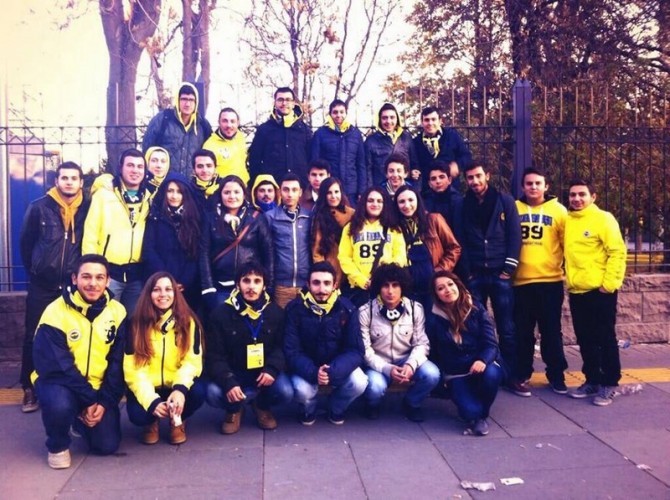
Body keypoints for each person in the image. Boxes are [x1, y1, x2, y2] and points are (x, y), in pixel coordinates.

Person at [32, 254, 126, 469]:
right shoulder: (55, 312)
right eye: (86, 277)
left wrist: (104, 402)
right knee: (60, 404)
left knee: (107, 445)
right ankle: (57, 445)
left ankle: (79, 420)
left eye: (99, 277)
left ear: (108, 281)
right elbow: (58, 367)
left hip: (97, 388)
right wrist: (89, 399)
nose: (93, 283)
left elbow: (117, 363)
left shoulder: (118, 312)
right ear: (74, 279)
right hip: (59, 383)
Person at [19, 161, 90, 413]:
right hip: (43, 284)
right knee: (33, 334)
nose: (69, 182)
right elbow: (26, 245)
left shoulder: (87, 209)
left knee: (74, 335)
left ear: (81, 182)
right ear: (56, 181)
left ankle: (71, 387)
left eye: (74, 178)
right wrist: (37, 270)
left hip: (72, 284)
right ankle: (28, 386)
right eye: (64, 178)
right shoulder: (39, 207)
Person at [205, 262, 294, 434]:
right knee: (212, 392)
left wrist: (272, 369)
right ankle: (234, 409)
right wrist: (228, 381)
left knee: (285, 391)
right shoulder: (220, 314)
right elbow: (214, 355)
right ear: (238, 284)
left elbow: (282, 347)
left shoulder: (275, 312)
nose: (251, 286)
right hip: (234, 373)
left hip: (262, 375)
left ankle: (261, 406)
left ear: (264, 286)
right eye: (246, 280)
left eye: (257, 281)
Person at [460, 162, 523, 394]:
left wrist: (509, 267)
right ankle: (481, 373)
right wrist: (467, 271)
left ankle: (511, 374)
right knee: (476, 328)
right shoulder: (463, 204)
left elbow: (515, 235)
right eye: (470, 178)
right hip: (475, 275)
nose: (475, 181)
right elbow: (460, 238)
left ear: (487, 175)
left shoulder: (505, 201)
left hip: (500, 274)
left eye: (478, 176)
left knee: (507, 327)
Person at [124, 272, 205, 445]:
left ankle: (178, 419)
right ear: (148, 294)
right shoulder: (135, 324)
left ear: (175, 293)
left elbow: (192, 362)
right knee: (138, 414)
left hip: (175, 385)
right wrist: (151, 401)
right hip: (149, 386)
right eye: (156, 290)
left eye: (168, 289)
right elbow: (133, 370)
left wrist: (180, 390)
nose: (163, 294)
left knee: (199, 392)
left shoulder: (189, 322)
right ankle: (151, 423)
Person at [564, 179, 627, 406]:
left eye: (582, 194)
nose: (577, 199)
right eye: (573, 195)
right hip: (577, 291)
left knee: (605, 338)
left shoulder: (603, 219)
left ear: (593, 197)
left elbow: (617, 252)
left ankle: (609, 382)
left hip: (600, 291)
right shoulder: (568, 220)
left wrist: (608, 285)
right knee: (585, 339)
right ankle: (592, 379)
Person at [284, 262, 367, 425]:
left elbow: (356, 350)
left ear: (335, 285)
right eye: (316, 283)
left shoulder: (347, 308)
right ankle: (308, 410)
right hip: (307, 368)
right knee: (302, 390)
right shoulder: (294, 309)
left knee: (359, 382)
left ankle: (336, 408)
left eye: (327, 283)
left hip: (335, 367)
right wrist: (314, 372)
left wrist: (332, 371)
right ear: (308, 284)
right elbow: (291, 350)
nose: (321, 289)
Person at [359, 264, 440, 422]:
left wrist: (411, 364)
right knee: (375, 386)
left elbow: (421, 343)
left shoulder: (415, 309)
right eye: (385, 285)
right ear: (378, 287)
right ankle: (372, 404)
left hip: (405, 360)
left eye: (395, 285)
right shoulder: (365, 312)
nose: (390, 291)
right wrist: (387, 368)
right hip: (379, 364)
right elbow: (365, 349)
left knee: (432, 374)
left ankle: (412, 403)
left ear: (403, 286)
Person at [513, 167, 569, 395]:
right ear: (523, 186)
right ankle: (522, 373)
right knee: (523, 332)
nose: (533, 187)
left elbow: (568, 245)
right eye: (529, 183)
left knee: (551, 331)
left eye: (538, 183)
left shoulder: (559, 211)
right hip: (520, 282)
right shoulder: (513, 208)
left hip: (550, 281)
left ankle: (556, 375)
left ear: (546, 186)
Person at [427, 271, 503, 436]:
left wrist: (482, 360)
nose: (447, 290)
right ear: (436, 294)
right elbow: (432, 352)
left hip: (480, 366)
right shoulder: (434, 317)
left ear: (458, 285)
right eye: (441, 288)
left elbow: (491, 344)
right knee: (469, 412)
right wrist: (441, 381)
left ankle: (482, 415)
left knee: (492, 374)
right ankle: (474, 411)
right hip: (456, 373)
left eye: (450, 284)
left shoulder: (476, 308)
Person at [83, 148, 152, 314]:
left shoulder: (149, 197)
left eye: (140, 166)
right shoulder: (104, 194)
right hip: (109, 272)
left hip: (137, 274)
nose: (135, 170)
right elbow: (91, 233)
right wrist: (91, 269)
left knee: (134, 321)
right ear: (121, 168)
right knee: (105, 318)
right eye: (130, 165)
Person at [200, 175, 274, 310]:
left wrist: (268, 285)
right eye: (227, 192)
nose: (232, 196)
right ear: (220, 194)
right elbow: (203, 253)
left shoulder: (256, 218)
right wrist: (208, 287)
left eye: (236, 192)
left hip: (250, 285)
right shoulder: (211, 218)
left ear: (244, 194)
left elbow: (268, 252)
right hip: (220, 286)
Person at [394, 185, 461, 311]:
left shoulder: (434, 219)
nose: (407, 205)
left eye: (411, 200)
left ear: (418, 201)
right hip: (408, 286)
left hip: (433, 285)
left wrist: (439, 271)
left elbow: (454, 248)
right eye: (401, 201)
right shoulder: (394, 227)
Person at [141, 173, 203, 310]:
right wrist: (166, 279)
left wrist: (185, 280)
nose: (174, 196)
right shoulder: (155, 217)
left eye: (179, 192)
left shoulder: (194, 219)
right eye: (170, 191)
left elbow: (196, 253)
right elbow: (149, 250)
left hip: (186, 286)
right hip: (159, 282)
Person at [338, 186, 407, 306]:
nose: (375, 204)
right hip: (360, 289)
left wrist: (385, 279)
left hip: (386, 288)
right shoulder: (351, 227)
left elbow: (400, 257)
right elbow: (344, 258)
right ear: (364, 203)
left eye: (379, 201)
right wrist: (361, 280)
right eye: (371, 200)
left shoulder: (393, 228)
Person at [142, 82, 213, 176]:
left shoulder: (202, 124)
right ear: (177, 100)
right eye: (184, 99)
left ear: (196, 102)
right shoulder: (163, 119)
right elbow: (147, 148)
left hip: (190, 182)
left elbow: (209, 153)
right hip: (165, 180)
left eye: (191, 100)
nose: (187, 104)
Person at [263, 173, 312, 308]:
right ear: (280, 192)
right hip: (281, 285)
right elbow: (266, 250)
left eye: (294, 190)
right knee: (282, 318)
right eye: (286, 190)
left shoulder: (309, 217)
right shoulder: (270, 217)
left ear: (300, 192)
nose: (290, 194)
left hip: (306, 284)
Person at [249, 86, 312, 182]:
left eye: (288, 100)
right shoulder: (264, 130)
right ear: (275, 103)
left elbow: (311, 159)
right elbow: (254, 160)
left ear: (293, 103)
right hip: (272, 187)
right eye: (280, 100)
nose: (284, 103)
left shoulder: (304, 130)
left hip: (299, 186)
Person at [310, 99, 366, 203]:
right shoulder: (320, 134)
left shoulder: (355, 134)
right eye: (335, 112)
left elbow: (361, 164)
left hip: (351, 190)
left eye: (341, 112)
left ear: (346, 113)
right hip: (329, 189)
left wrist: (362, 190)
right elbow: (315, 161)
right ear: (330, 114)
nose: (338, 115)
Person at [412, 106, 471, 190]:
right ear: (422, 123)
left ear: (440, 121)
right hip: (427, 191)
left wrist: (457, 166)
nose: (430, 123)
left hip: (451, 189)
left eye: (433, 119)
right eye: (426, 120)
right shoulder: (416, 142)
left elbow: (466, 156)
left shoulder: (452, 136)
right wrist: (413, 171)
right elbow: (412, 163)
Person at [311, 177, 355, 288]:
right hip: (332, 271)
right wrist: (324, 276)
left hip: (352, 272)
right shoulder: (320, 216)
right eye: (329, 193)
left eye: (336, 192)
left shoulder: (352, 214)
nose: (333, 196)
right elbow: (317, 251)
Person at [365, 102, 417, 187]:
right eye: (384, 118)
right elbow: (368, 169)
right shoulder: (371, 140)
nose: (388, 121)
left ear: (397, 119)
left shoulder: (406, 137)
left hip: (404, 187)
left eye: (392, 117)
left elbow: (414, 163)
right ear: (380, 120)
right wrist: (370, 190)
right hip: (381, 188)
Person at [203, 107, 249, 184]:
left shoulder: (240, 137)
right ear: (219, 122)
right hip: (223, 190)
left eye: (232, 121)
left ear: (238, 123)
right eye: (225, 121)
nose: (229, 125)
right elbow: (205, 177)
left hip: (243, 188)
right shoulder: (209, 146)